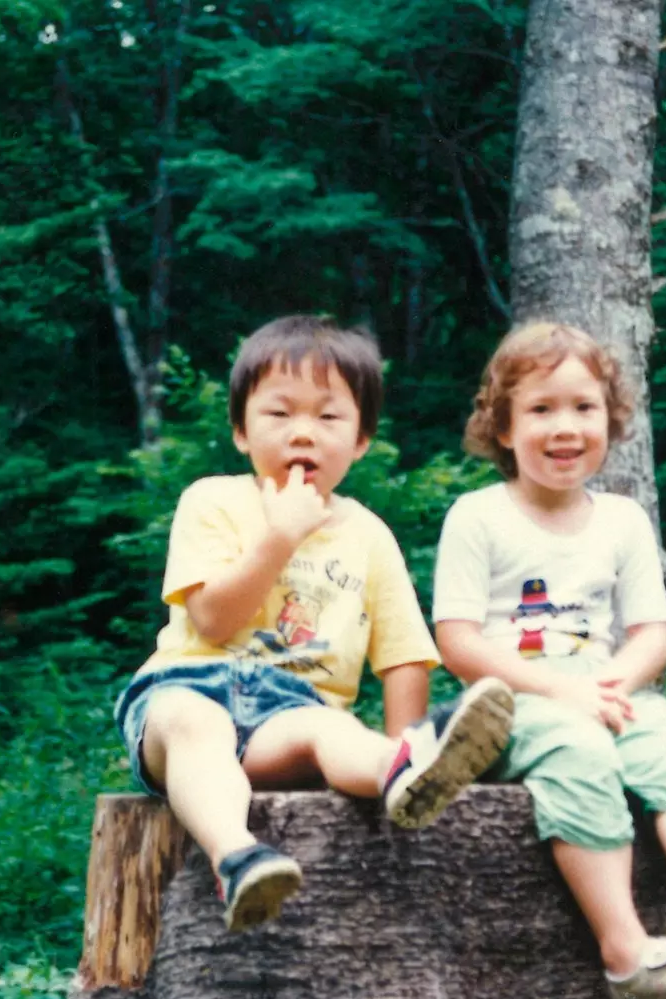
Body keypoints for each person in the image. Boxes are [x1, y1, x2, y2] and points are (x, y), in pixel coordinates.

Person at [116, 314, 514, 932]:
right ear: (242, 431)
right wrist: (280, 536)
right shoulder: (213, 501)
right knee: (197, 725)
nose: (303, 433)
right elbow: (213, 619)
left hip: (290, 712)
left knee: (332, 731)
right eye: (279, 414)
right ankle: (238, 857)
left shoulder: (370, 536)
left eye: (328, 418)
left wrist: (402, 731)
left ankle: (409, 772)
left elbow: (403, 655)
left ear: (359, 441)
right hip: (185, 690)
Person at [431, 321, 666, 999]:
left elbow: (651, 635)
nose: (565, 427)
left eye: (584, 408)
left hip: (602, 691)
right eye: (541, 409)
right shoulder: (478, 516)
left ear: (610, 420)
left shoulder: (622, 520)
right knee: (577, 750)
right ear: (502, 426)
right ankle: (626, 956)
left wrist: (612, 685)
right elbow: (457, 641)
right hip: (513, 708)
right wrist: (563, 691)